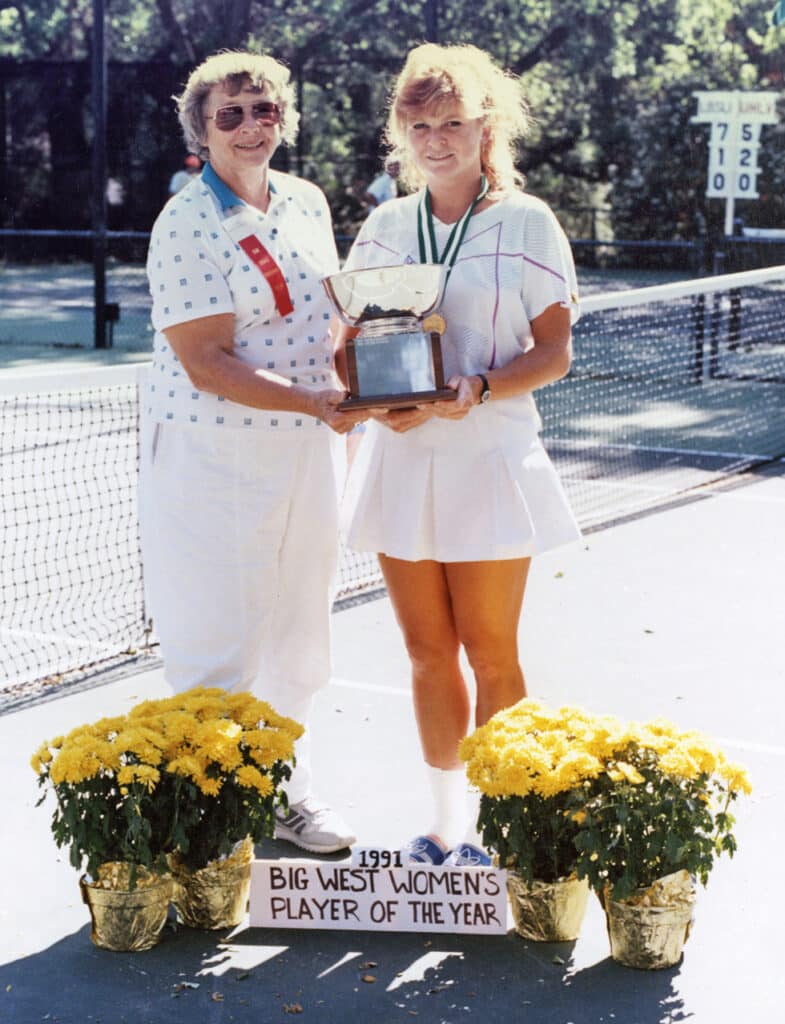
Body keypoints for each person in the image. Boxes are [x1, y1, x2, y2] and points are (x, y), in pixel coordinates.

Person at [335, 44, 581, 867]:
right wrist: (374, 401)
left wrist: (480, 387)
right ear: (401, 136)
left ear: (485, 128)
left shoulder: (527, 220)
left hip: (488, 456)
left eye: (451, 123)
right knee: (425, 652)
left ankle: (505, 831)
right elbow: (350, 341)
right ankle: (447, 829)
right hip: (401, 458)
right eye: (419, 127)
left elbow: (553, 352)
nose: (435, 140)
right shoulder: (384, 226)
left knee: (490, 651)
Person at [140, 51, 366, 854]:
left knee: (300, 635)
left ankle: (283, 791)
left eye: (262, 109)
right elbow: (207, 362)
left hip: (309, 448)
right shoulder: (184, 222)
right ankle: (207, 819)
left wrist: (364, 377)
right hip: (213, 454)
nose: (248, 126)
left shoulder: (306, 201)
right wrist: (311, 400)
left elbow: (331, 322)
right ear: (201, 131)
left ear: (282, 118)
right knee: (218, 641)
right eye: (229, 114)